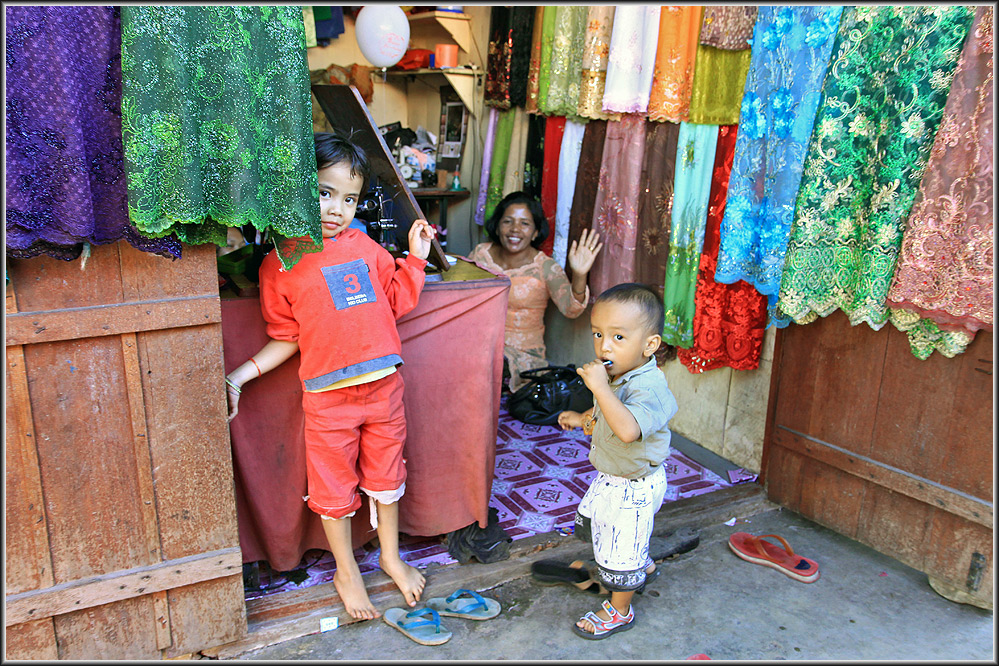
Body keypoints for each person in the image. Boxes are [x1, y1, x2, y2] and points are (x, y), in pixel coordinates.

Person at [225, 131, 437, 622]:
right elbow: (288, 336)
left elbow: (397, 302)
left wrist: (417, 260)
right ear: (296, 185)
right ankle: (347, 570)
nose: (336, 208)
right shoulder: (280, 264)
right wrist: (238, 376)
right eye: (323, 191)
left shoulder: (365, 246)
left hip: (384, 389)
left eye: (349, 198)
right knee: (333, 488)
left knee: (387, 477)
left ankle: (390, 557)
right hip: (328, 399)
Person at [557, 283, 678, 640]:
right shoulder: (617, 375)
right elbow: (605, 416)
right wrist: (583, 419)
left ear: (650, 345)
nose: (604, 346)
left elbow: (626, 430)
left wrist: (600, 389)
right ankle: (640, 563)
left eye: (618, 337)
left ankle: (619, 610)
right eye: (598, 334)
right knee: (607, 531)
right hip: (614, 479)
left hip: (635, 487)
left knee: (621, 548)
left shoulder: (649, 386)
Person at [467, 191, 603, 392]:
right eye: (508, 221)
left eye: (525, 223)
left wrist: (580, 274)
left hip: (523, 356)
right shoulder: (480, 254)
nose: (515, 229)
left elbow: (571, 309)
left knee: (485, 367)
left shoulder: (545, 267)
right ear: (497, 225)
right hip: (479, 346)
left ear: (536, 232)